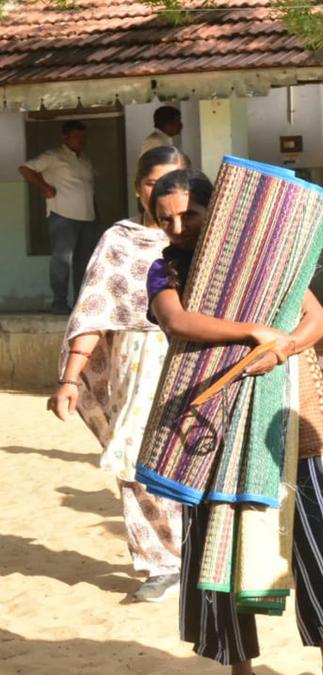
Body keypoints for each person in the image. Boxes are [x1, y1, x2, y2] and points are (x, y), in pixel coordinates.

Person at [145, 169, 323, 675]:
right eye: (164, 218)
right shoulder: (163, 269)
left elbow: (316, 322)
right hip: (207, 424)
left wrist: (280, 352)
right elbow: (177, 321)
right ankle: (240, 670)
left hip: (280, 417)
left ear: (217, 209)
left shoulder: (268, 261)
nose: (177, 227)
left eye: (189, 213)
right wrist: (256, 331)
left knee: (315, 533)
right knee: (218, 546)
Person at [46, 145, 189, 603]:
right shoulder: (120, 239)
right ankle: (160, 563)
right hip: (137, 358)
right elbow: (94, 309)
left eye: (172, 182)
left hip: (193, 357)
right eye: (151, 183)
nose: (161, 192)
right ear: (137, 188)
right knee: (135, 459)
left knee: (192, 456)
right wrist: (70, 379)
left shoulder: (204, 237)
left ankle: (197, 555)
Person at [19, 120, 97, 314]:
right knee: (62, 261)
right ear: (65, 137)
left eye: (83, 136)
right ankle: (59, 303)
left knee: (84, 262)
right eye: (77, 136)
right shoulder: (53, 156)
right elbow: (25, 169)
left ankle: (81, 305)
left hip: (87, 218)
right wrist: (44, 188)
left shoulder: (85, 159)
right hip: (63, 216)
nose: (81, 140)